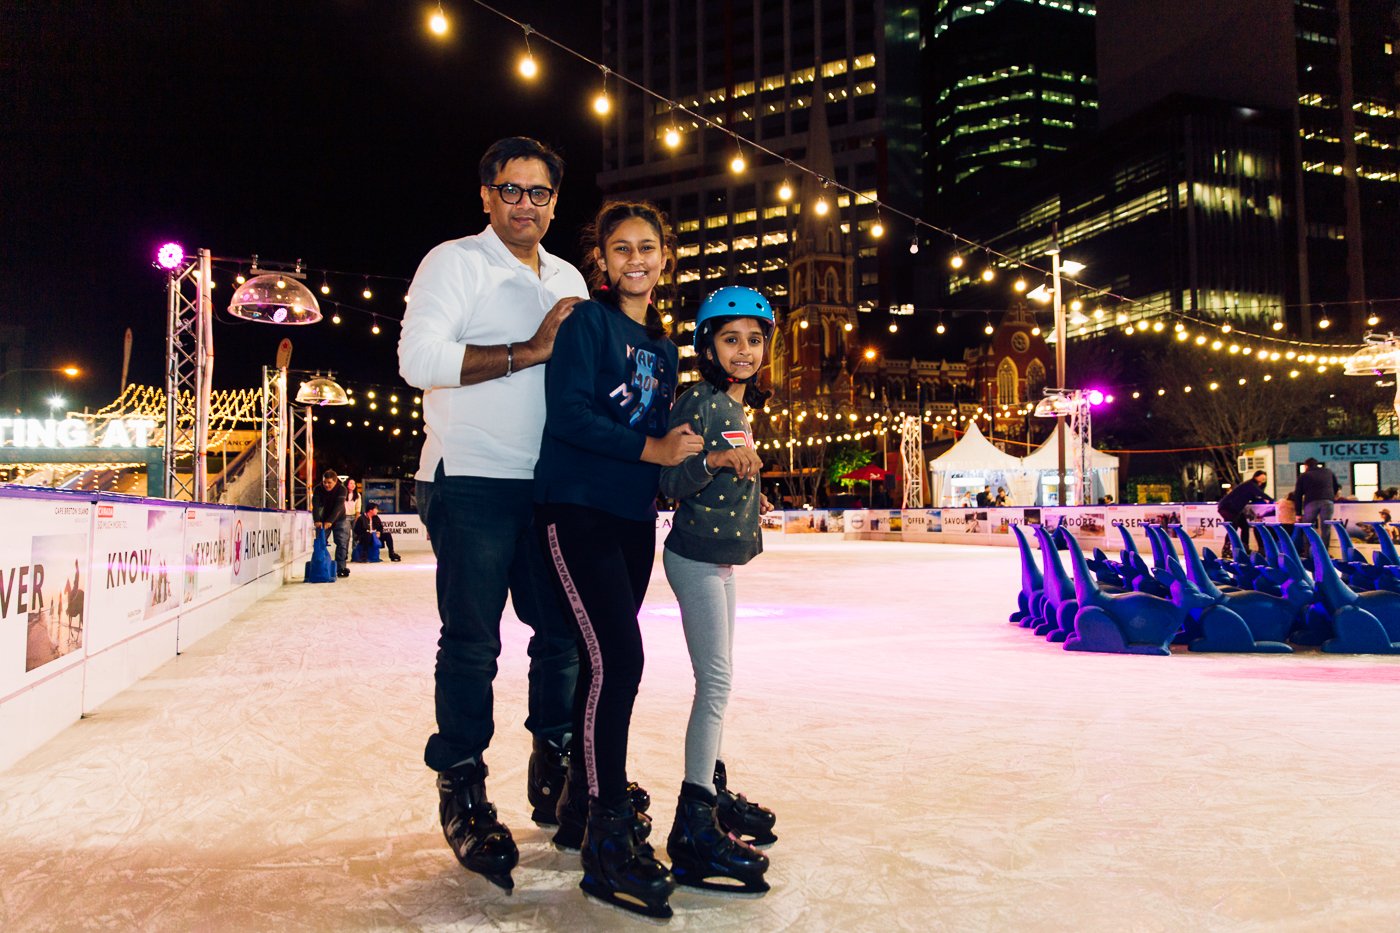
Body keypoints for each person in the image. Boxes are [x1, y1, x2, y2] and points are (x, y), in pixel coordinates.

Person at [397, 136, 588, 894]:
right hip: (470, 477)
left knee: (563, 632)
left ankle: (556, 759)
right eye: (511, 190)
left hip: (547, 482)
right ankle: (464, 785)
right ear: (486, 195)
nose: (525, 205)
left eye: (539, 193)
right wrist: (529, 349)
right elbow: (418, 361)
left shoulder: (570, 275)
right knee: (473, 642)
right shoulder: (455, 262)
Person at [534, 200, 698, 920]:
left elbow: (664, 436)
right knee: (618, 663)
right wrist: (653, 449)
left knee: (602, 662)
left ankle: (577, 810)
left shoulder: (661, 350)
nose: (635, 257)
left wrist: (710, 455)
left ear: (666, 258)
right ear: (600, 258)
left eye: (648, 246)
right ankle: (604, 836)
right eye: (621, 247)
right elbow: (568, 413)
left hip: (634, 522)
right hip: (577, 511)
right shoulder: (586, 325)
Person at [657, 286, 777, 897]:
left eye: (755, 340)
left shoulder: (737, 407)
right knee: (717, 682)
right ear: (707, 345)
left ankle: (712, 789)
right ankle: (693, 820)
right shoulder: (698, 402)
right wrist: (717, 466)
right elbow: (669, 478)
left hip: (722, 562)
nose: (745, 351)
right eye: (732, 339)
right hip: (695, 559)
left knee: (721, 681)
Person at [1217, 470, 1273, 555]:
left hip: (1236, 510)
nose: (1263, 479)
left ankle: (1244, 547)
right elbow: (1260, 493)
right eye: (1262, 477)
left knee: (1245, 527)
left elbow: (1256, 496)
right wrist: (1271, 500)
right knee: (1233, 527)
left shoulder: (1253, 486)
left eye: (1264, 478)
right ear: (1256, 476)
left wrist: (1264, 500)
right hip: (1227, 508)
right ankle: (1226, 549)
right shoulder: (1250, 485)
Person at [1294, 458, 1341, 555]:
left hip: (1311, 502)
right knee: (1326, 528)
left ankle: (1308, 552)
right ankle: (1324, 553)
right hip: (1328, 501)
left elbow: (1298, 494)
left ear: (1306, 466)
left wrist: (1298, 513)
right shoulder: (1328, 472)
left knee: (1308, 526)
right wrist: (1332, 496)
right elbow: (1336, 486)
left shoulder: (1304, 475)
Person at [312, 469, 351, 577]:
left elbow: (339, 506)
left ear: (335, 482)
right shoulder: (318, 489)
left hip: (340, 519)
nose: (326, 485)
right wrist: (317, 520)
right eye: (325, 482)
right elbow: (315, 506)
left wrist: (331, 520)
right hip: (323, 519)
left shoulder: (342, 489)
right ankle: (320, 565)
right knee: (320, 542)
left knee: (342, 543)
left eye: (329, 483)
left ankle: (341, 567)